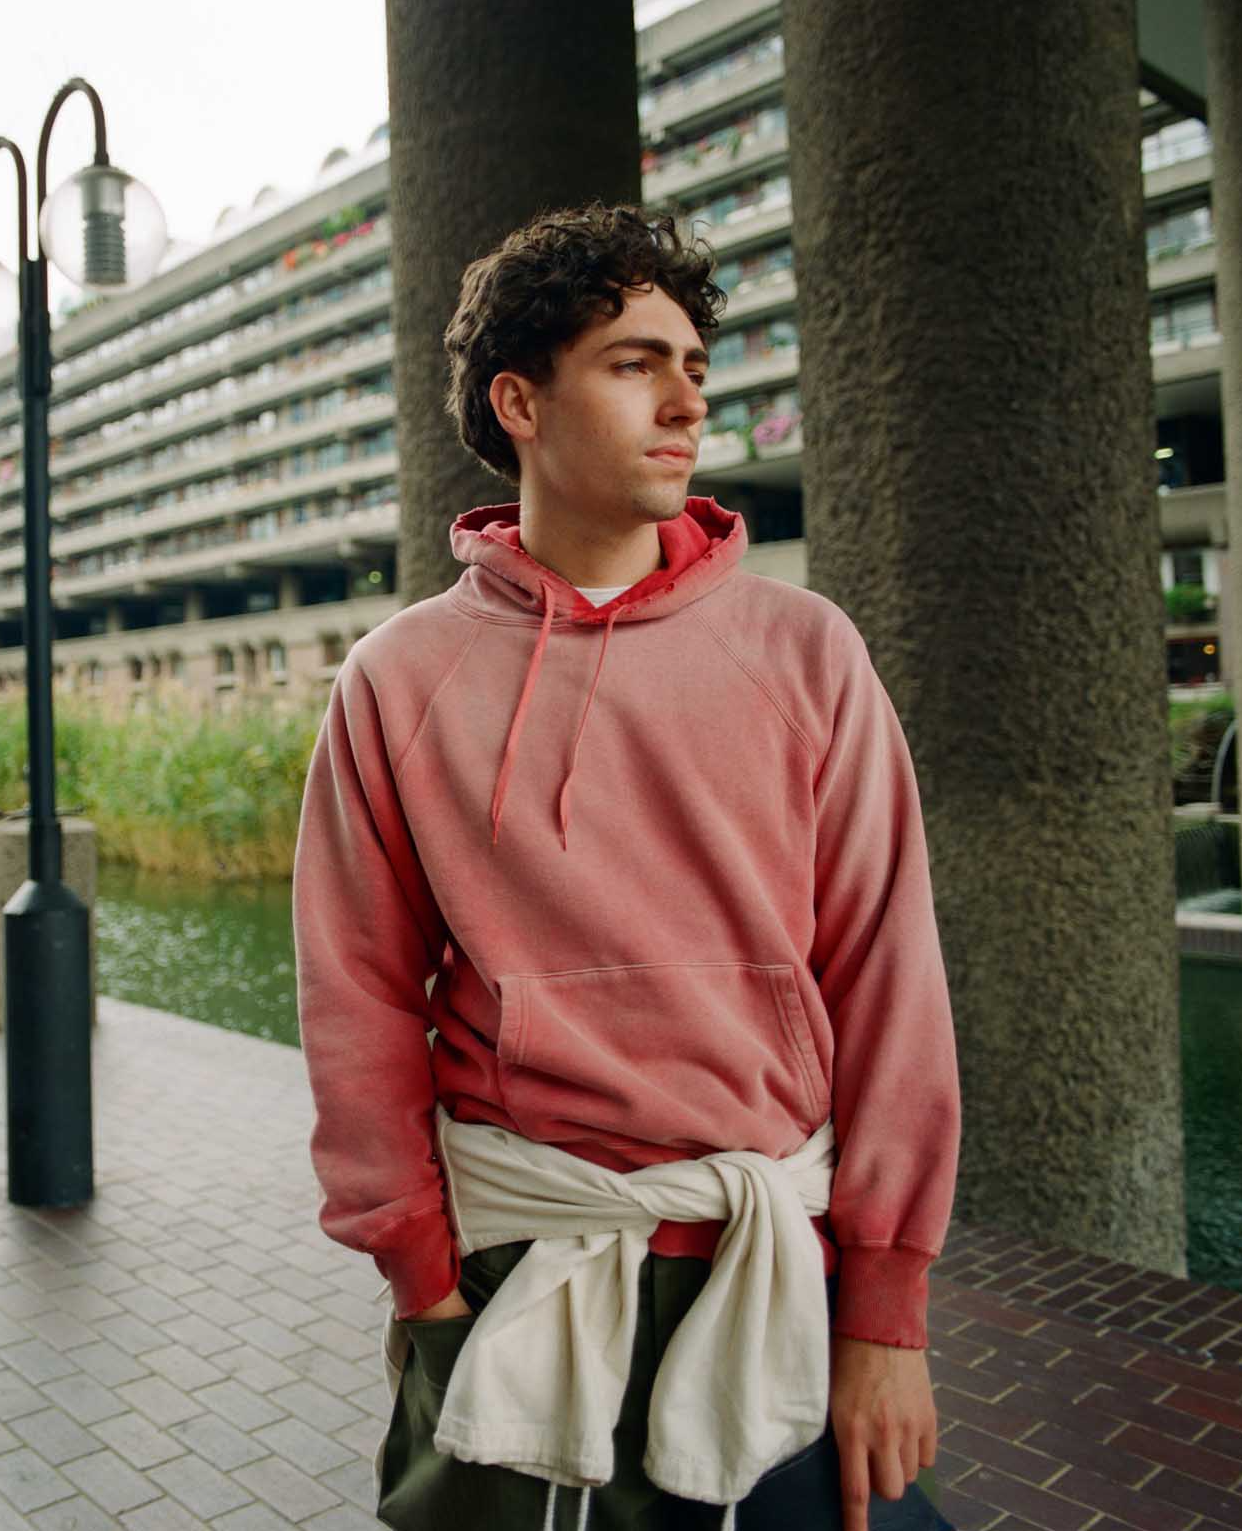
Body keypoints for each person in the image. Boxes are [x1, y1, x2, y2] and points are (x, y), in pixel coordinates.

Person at [292, 203, 962, 1531]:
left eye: (694, 367)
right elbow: (354, 994)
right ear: (519, 402)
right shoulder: (400, 678)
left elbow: (891, 979)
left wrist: (888, 1304)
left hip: (776, 1258)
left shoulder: (806, 651)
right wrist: (421, 1280)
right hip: (516, 1267)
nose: (684, 400)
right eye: (632, 362)